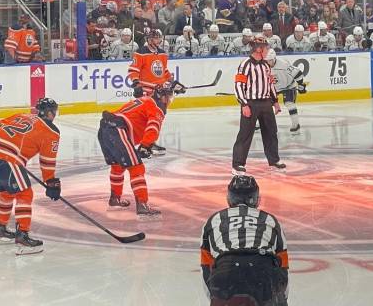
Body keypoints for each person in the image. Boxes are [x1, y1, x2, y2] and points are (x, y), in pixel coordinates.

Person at [0, 98, 61, 255]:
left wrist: (7, 146)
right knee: (25, 193)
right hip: (6, 157)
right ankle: (22, 236)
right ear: (50, 113)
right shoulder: (51, 131)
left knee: (7, 192)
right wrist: (50, 182)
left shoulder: (21, 115)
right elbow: (47, 160)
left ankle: (0, 229)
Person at [200, 175, 289, 306]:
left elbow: (206, 267)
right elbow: (283, 265)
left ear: (229, 197)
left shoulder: (213, 220)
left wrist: (215, 298)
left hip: (226, 271)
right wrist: (281, 299)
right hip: (263, 270)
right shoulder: (270, 220)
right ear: (256, 198)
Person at [97, 83, 178, 218]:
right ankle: (142, 205)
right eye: (169, 96)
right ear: (162, 97)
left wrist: (146, 145)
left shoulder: (144, 100)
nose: (169, 100)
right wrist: (145, 145)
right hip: (117, 129)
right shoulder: (156, 107)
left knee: (117, 167)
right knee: (137, 168)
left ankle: (114, 199)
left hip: (105, 129)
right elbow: (153, 127)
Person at [232, 36, 285, 174]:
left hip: (266, 103)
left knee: (271, 132)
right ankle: (237, 164)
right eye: (266, 47)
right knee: (245, 134)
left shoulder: (266, 65)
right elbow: (238, 85)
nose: (268, 50)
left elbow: (270, 84)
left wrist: (275, 102)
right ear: (259, 49)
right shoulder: (245, 65)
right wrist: (244, 104)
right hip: (251, 103)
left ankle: (274, 159)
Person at [126, 28, 172, 154]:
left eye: (159, 37)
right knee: (146, 119)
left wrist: (171, 80)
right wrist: (136, 83)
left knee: (158, 118)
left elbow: (164, 70)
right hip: (147, 92)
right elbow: (133, 70)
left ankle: (150, 141)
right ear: (150, 39)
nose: (159, 40)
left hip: (161, 91)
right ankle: (144, 143)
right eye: (156, 38)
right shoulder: (140, 53)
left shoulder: (162, 53)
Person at [265, 49, 307, 134]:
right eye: (267, 61)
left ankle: (296, 125)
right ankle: (260, 124)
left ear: (274, 58)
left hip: (288, 86)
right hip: (273, 88)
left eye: (270, 60)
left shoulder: (284, 65)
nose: (269, 63)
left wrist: (301, 84)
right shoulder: (263, 66)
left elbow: (297, 73)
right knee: (264, 105)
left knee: (289, 103)